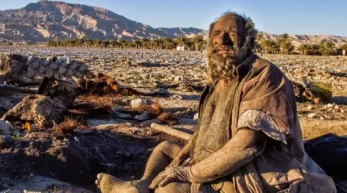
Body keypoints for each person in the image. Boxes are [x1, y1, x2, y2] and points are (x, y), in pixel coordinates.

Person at [95, 12, 337, 193]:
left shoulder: (263, 74)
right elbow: (203, 132)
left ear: (248, 41)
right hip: (214, 157)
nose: (223, 40)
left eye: (232, 34)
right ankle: (141, 185)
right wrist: (182, 159)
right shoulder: (218, 79)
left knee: (172, 189)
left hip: (257, 167)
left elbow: (247, 146)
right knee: (166, 149)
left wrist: (187, 172)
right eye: (216, 35)